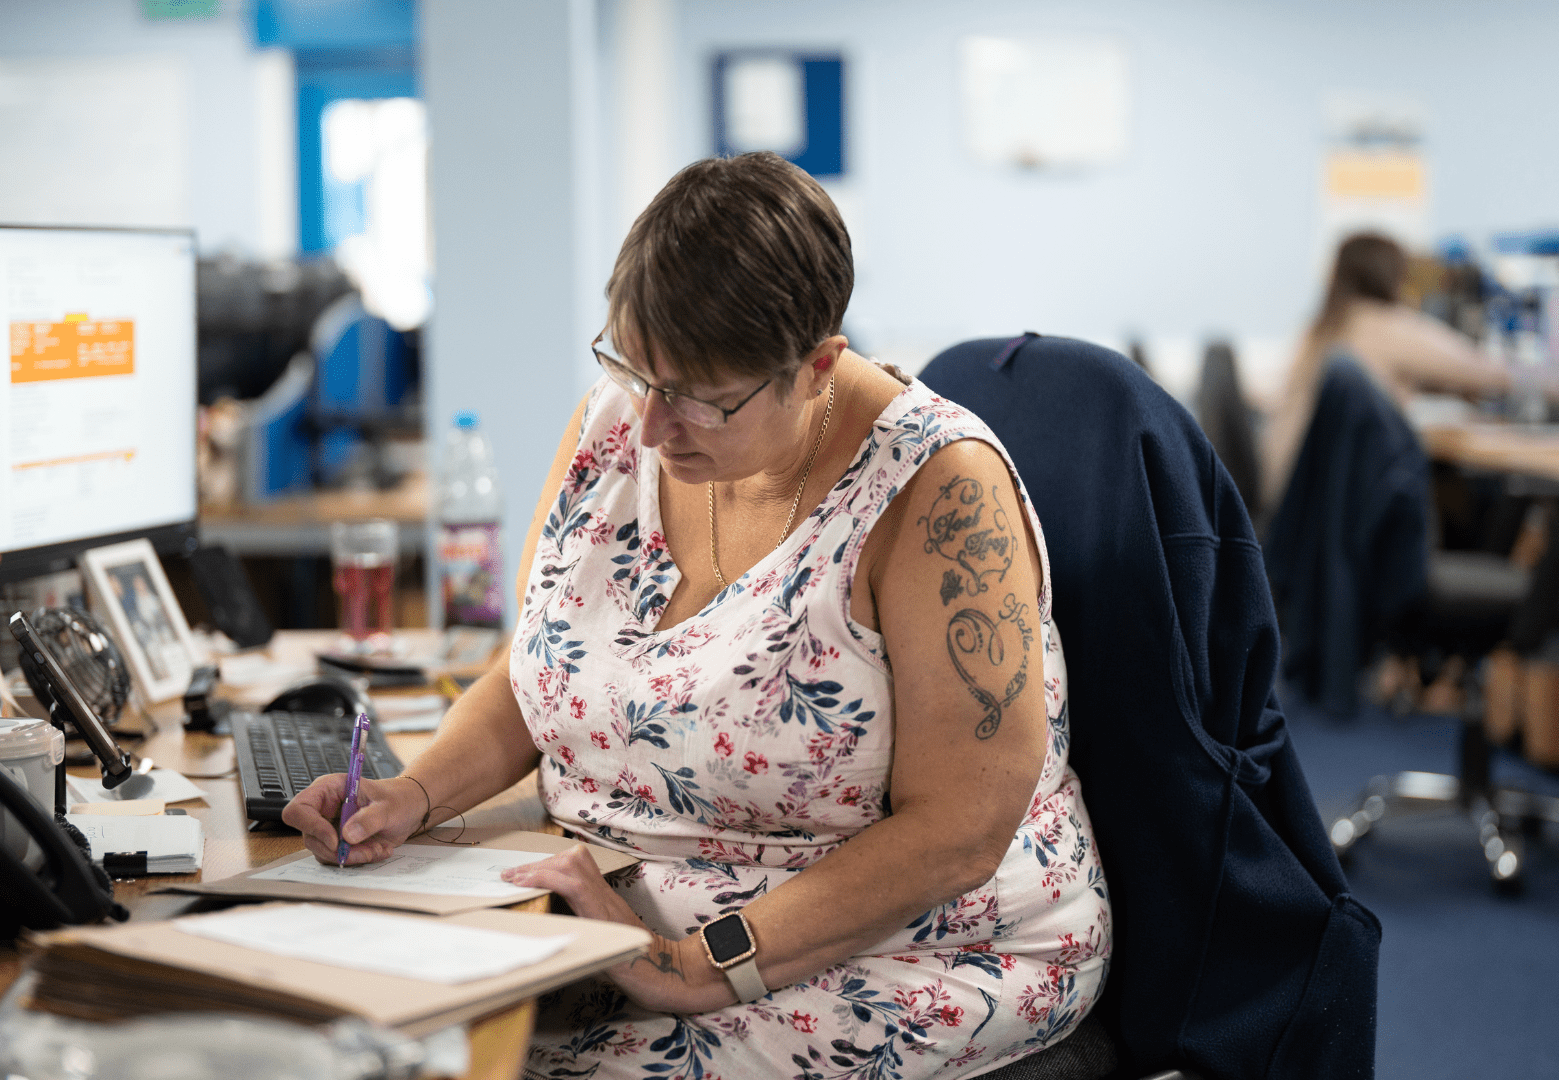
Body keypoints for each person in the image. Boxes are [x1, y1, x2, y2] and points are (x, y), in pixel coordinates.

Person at [284, 152, 1110, 1078]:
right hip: (617, 914)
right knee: (337, 1036)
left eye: (699, 399)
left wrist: (699, 965)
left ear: (817, 367)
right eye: (635, 370)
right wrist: (413, 796)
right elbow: (541, 669)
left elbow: (959, 829)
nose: (647, 426)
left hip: (910, 946)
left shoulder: (938, 490)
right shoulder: (621, 423)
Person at [1261, 231, 1510, 511]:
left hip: (1289, 507)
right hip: (1338, 514)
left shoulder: (1318, 330)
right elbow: (1490, 374)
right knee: (1480, 496)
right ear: (1394, 275)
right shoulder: (1386, 326)